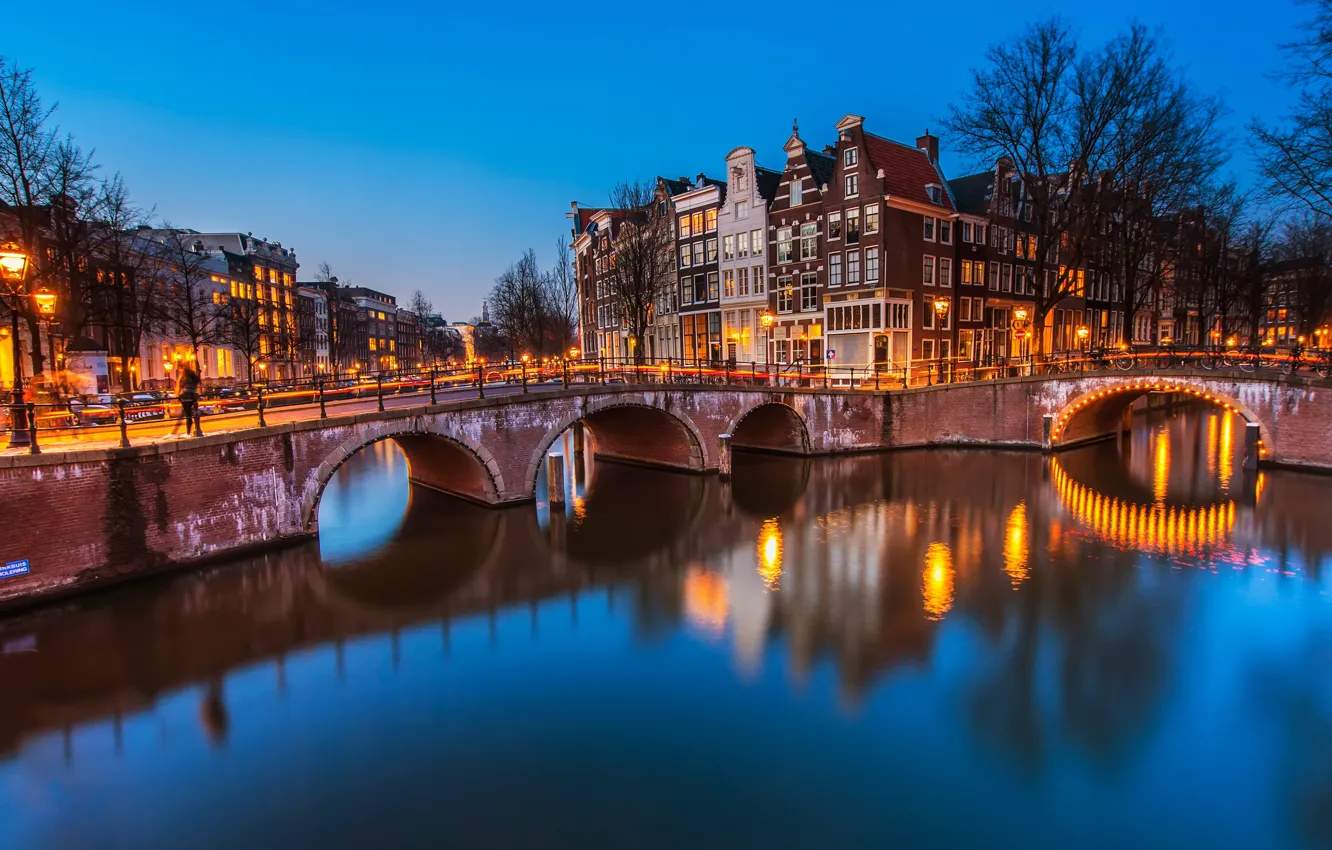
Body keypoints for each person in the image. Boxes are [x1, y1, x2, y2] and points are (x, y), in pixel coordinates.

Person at [170, 362, 201, 436]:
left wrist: (177, 396)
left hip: (185, 397)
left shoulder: (184, 376)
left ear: (182, 368)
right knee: (187, 414)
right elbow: (197, 383)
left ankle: (185, 432)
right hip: (192, 397)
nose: (179, 371)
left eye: (179, 369)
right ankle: (181, 431)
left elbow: (180, 386)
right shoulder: (193, 375)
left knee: (187, 415)